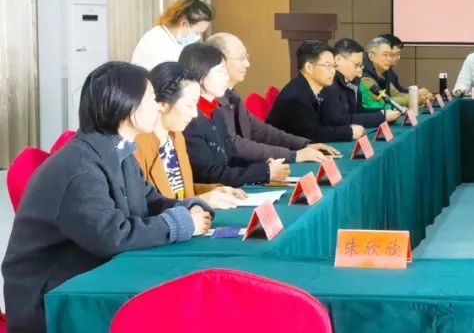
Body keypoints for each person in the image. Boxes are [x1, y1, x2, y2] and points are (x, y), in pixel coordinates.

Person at [2, 62, 212, 333]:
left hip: (90, 274)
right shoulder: (79, 167)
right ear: (128, 108)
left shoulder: (120, 152)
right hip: (51, 301)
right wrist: (180, 223)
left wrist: (190, 208)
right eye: (151, 99)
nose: (158, 107)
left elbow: (151, 201)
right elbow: (111, 236)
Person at [205, 33, 340, 162]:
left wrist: (304, 145)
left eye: (247, 57)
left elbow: (260, 130)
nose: (247, 64)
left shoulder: (232, 96)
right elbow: (235, 144)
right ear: (218, 62)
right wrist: (292, 155)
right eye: (241, 58)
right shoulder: (209, 101)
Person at [134, 62, 248, 210]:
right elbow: (147, 206)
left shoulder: (177, 138)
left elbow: (180, 192)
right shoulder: (138, 146)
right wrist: (199, 200)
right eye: (189, 105)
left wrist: (214, 190)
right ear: (162, 104)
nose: (194, 114)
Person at [179, 43, 291, 186]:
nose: (227, 78)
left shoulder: (216, 113)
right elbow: (208, 174)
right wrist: (264, 171)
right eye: (221, 72)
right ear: (200, 76)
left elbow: (231, 158)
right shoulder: (189, 119)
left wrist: (264, 167)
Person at [265, 40, 369, 143]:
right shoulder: (296, 97)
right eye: (328, 66)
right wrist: (350, 132)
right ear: (309, 68)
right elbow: (314, 134)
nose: (333, 71)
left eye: (334, 66)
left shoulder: (312, 89)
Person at [323, 38, 400, 128]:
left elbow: (357, 112)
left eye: (361, 66)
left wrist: (385, 113)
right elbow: (340, 119)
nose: (360, 73)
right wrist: (382, 116)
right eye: (356, 65)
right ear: (338, 60)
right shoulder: (329, 84)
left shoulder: (353, 81)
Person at [131, 0, 213, 70]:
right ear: (184, 24)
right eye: (197, 33)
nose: (199, 37)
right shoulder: (159, 44)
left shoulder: (164, 36)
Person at [360, 36, 412, 109]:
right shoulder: (364, 77)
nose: (389, 59)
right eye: (385, 55)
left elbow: (396, 94)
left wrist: (416, 96)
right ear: (371, 56)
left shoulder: (383, 73)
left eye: (390, 55)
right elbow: (381, 103)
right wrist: (411, 99)